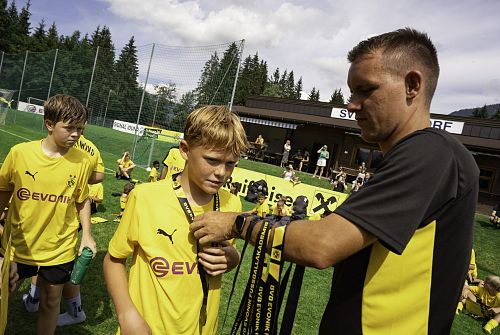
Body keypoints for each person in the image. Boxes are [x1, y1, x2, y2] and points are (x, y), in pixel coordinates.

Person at [190, 28, 479, 334]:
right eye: (352, 92)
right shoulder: (416, 156)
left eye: (365, 90)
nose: (352, 104)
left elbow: (322, 245)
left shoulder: (432, 152)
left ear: (412, 85)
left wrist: (236, 223)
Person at [103, 105, 248, 335]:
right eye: (212, 160)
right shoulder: (145, 198)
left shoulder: (232, 205)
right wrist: (126, 314)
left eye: (230, 163)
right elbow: (113, 260)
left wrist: (233, 258)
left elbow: (222, 259)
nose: (221, 172)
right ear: (184, 149)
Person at [0, 94, 97, 335]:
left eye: (80, 128)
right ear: (50, 124)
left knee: (51, 301)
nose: (76, 134)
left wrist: (87, 234)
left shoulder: (84, 160)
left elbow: (81, 198)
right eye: (70, 128)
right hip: (18, 246)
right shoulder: (20, 153)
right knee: (4, 296)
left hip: (59, 247)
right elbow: (3, 191)